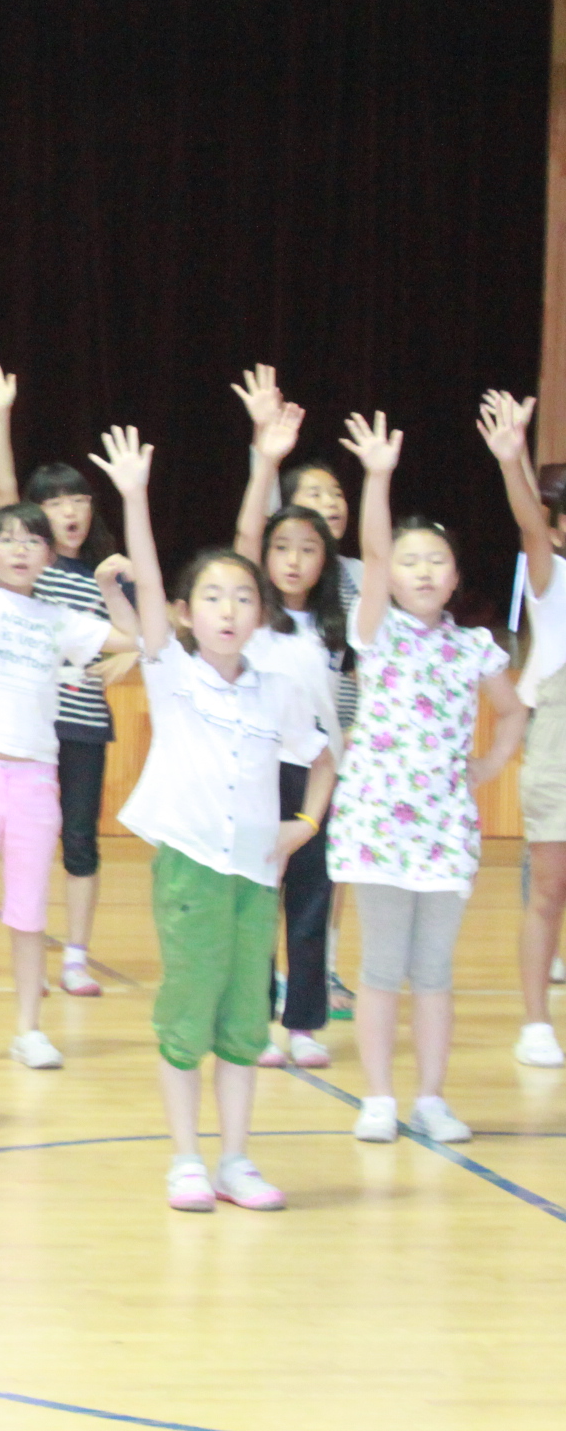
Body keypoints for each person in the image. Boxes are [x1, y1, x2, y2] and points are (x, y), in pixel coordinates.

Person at [94, 424, 334, 1212]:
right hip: (192, 869)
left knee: (243, 1021)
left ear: (260, 614)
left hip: (255, 875)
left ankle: (236, 1160)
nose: (228, 610)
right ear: (186, 613)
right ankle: (186, 1160)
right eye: (212, 598)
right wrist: (134, 497)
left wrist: (304, 824)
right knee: (188, 1012)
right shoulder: (171, 674)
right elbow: (146, 577)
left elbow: (324, 759)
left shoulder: (279, 690)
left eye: (243, 598)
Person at [329, 411, 524, 1145]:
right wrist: (377, 477)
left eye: (435, 561)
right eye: (410, 560)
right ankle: (379, 1097)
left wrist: (488, 766)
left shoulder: (474, 648)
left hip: (444, 829)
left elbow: (513, 713)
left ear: (456, 576)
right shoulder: (376, 630)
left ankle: (432, 1099)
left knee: (434, 971)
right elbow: (374, 553)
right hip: (378, 825)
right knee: (383, 967)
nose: (420, 571)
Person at [0, 399, 131, 1071]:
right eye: (6, 539)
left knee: (28, 911)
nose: (19, 548)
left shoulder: (60, 616)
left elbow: (137, 638)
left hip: (37, 778)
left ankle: (27, 1029)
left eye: (31, 540)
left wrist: (116, 589)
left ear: (49, 554)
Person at [0, 361, 133, 998]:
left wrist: (129, 660)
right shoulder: (26, 571)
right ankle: (28, 953)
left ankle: (77, 956)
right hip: (26, 728)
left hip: (85, 725)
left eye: (79, 499)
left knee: (80, 840)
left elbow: (145, 635)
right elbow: (3, 492)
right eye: (56, 501)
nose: (70, 511)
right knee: (23, 840)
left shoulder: (107, 572)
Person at [232, 392, 348, 1068]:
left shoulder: (334, 626)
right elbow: (246, 536)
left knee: (309, 905)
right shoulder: (252, 615)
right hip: (255, 771)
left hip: (316, 776)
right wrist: (266, 461)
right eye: (283, 549)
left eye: (309, 550)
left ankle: (303, 1024)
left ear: (325, 560)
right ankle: (252, 1022)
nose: (295, 561)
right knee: (255, 905)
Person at [473, 393, 566, 1068]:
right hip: (558, 732)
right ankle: (536, 1023)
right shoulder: (552, 575)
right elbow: (531, 525)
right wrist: (513, 460)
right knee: (549, 888)